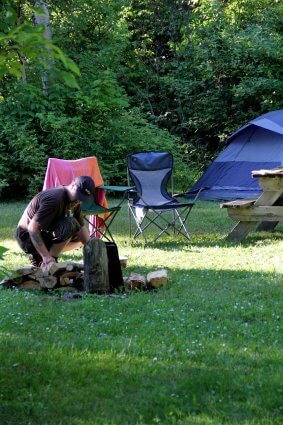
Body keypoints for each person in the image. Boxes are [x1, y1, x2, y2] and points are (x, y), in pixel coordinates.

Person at [16, 175, 95, 269]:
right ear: (73, 185)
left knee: (81, 235)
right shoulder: (55, 199)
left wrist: (93, 251)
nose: (78, 201)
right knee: (71, 224)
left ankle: (40, 258)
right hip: (27, 239)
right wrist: (46, 257)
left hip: (44, 234)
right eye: (78, 196)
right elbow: (32, 228)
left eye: (82, 198)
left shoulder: (74, 202)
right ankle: (49, 261)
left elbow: (81, 229)